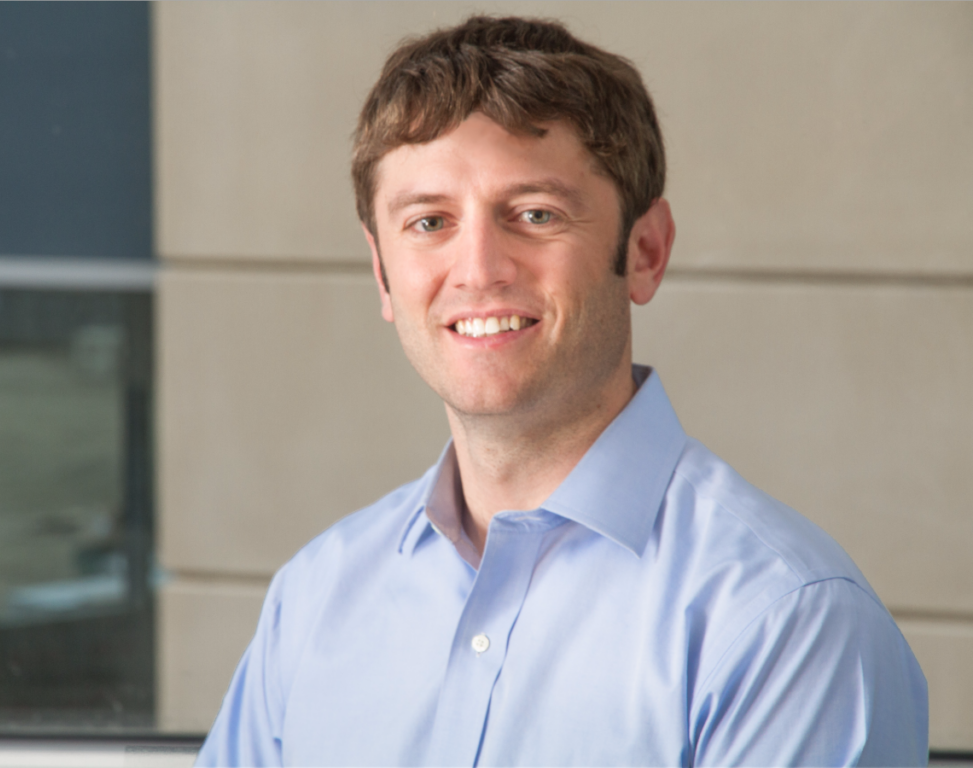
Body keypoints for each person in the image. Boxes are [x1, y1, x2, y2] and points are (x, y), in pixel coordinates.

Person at [196, 15, 928, 767]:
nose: (478, 269)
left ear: (644, 252)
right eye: (429, 221)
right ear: (383, 273)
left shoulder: (783, 623)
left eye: (535, 214)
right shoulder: (314, 598)